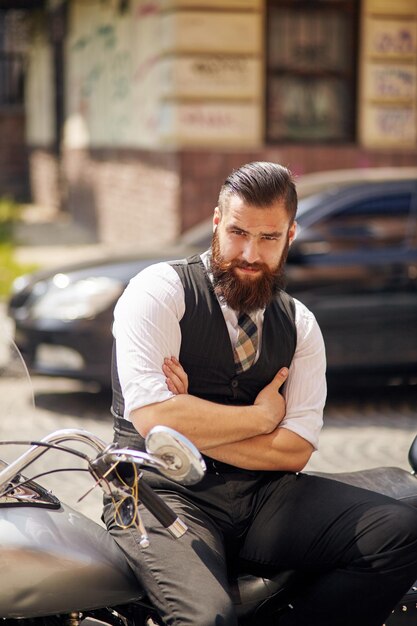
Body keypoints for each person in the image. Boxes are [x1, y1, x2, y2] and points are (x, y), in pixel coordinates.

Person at [105, 161, 417, 626]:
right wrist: (261, 418)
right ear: (216, 223)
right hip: (159, 493)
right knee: (207, 619)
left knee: (400, 531)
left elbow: (294, 451)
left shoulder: (301, 325)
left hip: (261, 500)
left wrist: (188, 417)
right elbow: (153, 420)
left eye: (268, 238)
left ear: (290, 236)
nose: (249, 253)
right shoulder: (159, 291)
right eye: (237, 232)